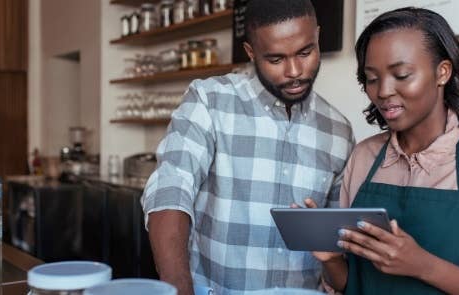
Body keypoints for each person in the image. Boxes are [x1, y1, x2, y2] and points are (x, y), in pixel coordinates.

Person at [310, 7, 459, 295]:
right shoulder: (364, 156)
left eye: (402, 75)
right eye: (371, 78)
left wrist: (423, 266)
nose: (383, 91)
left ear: (442, 72)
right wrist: (330, 260)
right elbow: (352, 284)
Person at [140, 0, 355, 294]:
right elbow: (171, 188)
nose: (294, 70)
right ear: (251, 53)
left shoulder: (338, 130)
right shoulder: (209, 100)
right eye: (276, 59)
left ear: (317, 36)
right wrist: (178, 287)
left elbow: (334, 248)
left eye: (305, 52)